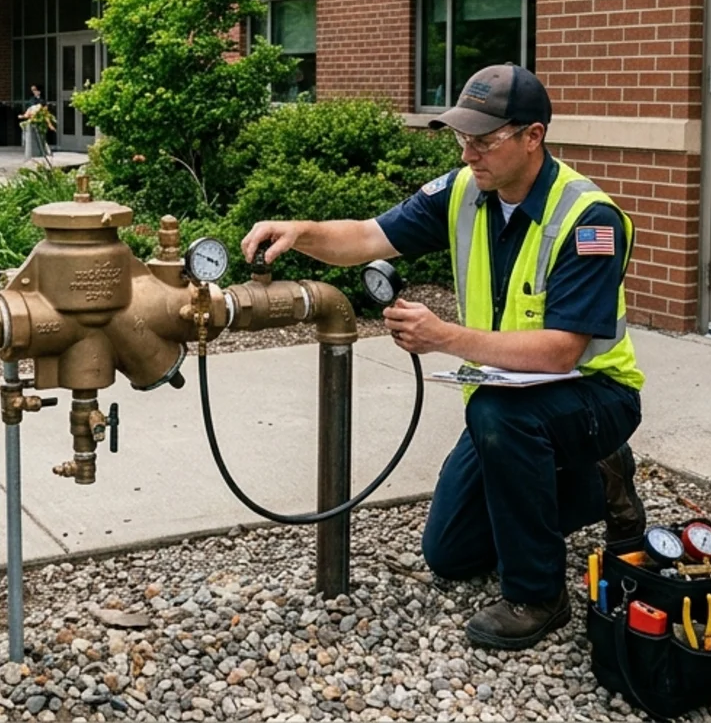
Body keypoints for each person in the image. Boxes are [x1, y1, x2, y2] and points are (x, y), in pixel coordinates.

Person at [240, 64, 647, 651]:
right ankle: (597, 484)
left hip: (594, 394)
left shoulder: (588, 220)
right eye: (462, 139)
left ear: (533, 136)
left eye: (484, 141)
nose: (470, 154)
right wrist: (299, 231)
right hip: (511, 392)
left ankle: (538, 593)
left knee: (498, 418)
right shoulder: (464, 191)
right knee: (450, 554)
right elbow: (366, 237)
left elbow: (562, 352)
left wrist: (445, 337)